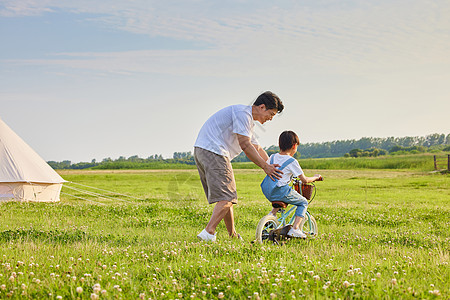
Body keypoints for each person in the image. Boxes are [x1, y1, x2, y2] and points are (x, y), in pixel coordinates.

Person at [194, 91, 284, 242]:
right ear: (262, 107)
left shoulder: (246, 121)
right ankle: (208, 232)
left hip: (205, 150)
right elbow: (245, 145)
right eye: (271, 114)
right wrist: (265, 167)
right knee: (228, 196)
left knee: (226, 196)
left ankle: (232, 235)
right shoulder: (243, 114)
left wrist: (272, 167)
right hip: (214, 151)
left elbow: (257, 148)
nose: (271, 118)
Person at [260, 130, 322, 238]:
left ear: (280, 145)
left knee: (284, 197)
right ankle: (295, 229)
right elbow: (305, 180)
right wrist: (316, 177)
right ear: (294, 146)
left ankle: (271, 216)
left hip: (268, 190)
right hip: (280, 191)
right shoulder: (292, 161)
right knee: (303, 202)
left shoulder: (272, 157)